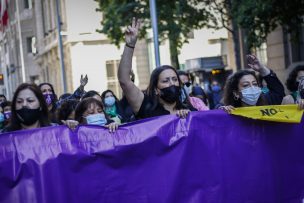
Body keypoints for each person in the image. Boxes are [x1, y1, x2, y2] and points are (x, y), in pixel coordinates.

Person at [118, 18, 195, 119]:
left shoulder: (190, 110)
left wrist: (222, 112)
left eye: (175, 79)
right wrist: (130, 45)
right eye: (165, 81)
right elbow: (124, 80)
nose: (172, 83)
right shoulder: (145, 107)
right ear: (155, 89)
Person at [220, 54, 285, 113]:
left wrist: (262, 69)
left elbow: (278, 92)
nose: (252, 88)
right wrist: (222, 112)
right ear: (236, 93)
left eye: (255, 84)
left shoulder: (267, 102)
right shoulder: (230, 112)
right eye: (246, 85)